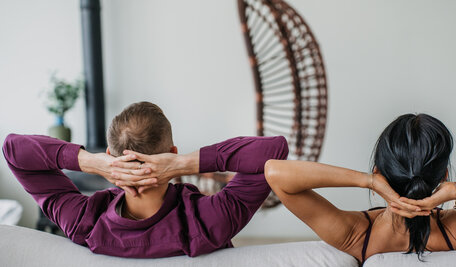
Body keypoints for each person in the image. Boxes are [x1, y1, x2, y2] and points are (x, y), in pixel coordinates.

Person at [3, 101, 288, 258]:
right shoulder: (208, 222)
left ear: (109, 156)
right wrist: (186, 163)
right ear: (172, 153)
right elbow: (273, 150)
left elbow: (13, 149)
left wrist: (89, 162)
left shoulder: (84, 223)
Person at [264, 113, 456, 264]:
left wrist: (368, 181)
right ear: (442, 175)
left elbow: (275, 173)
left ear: (380, 173)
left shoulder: (355, 235)